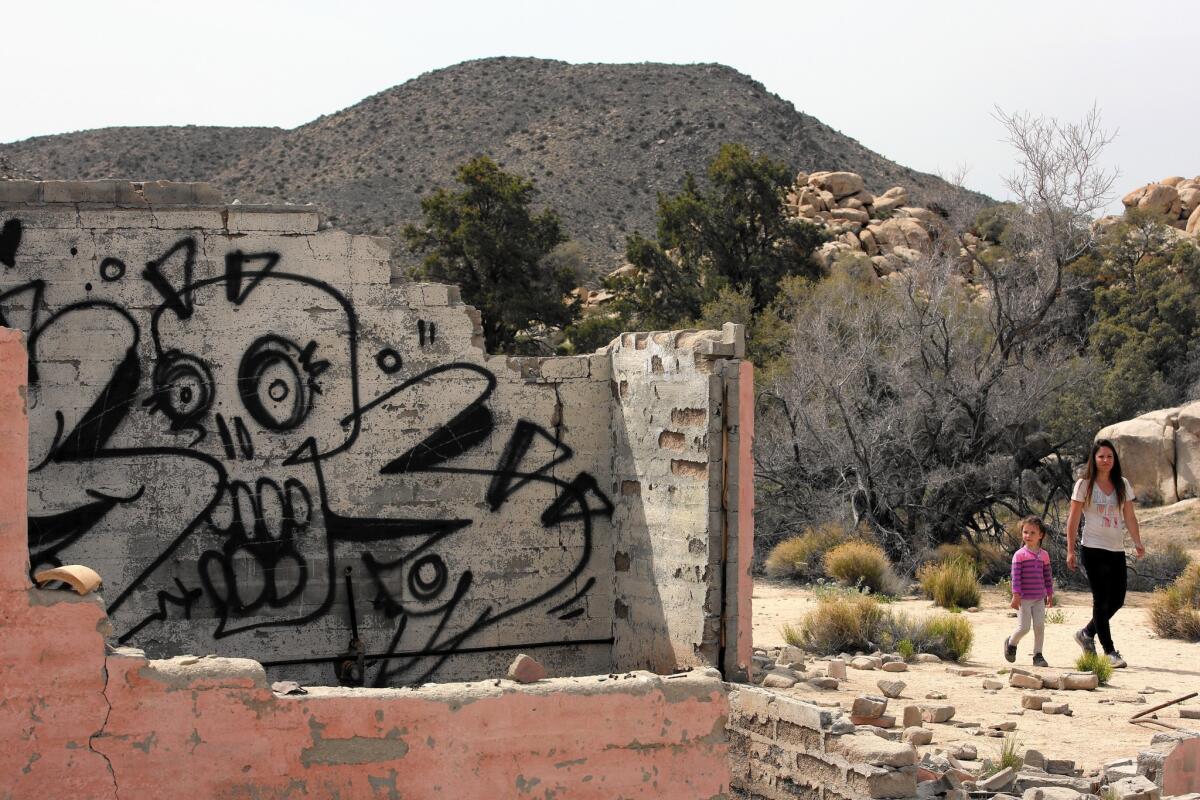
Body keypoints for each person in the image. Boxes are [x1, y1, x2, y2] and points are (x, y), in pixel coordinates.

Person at [1065, 438, 1145, 668]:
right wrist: (1070, 550)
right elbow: (1073, 519)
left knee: (1117, 599)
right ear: (1094, 459)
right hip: (1092, 548)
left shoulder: (1122, 484)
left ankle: (1086, 633)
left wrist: (1137, 542)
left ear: (1114, 459)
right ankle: (1110, 652)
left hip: (1116, 548)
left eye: (1109, 456)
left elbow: (1129, 516)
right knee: (1101, 601)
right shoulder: (1084, 485)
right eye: (1101, 456)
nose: (1105, 460)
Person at [1005, 515, 1054, 667]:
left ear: (1041, 535)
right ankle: (1011, 643)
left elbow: (1047, 575)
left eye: (1033, 533)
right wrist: (1016, 595)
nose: (1028, 536)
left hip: (1039, 598)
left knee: (1039, 626)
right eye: (1025, 532)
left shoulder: (1044, 555)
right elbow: (1016, 577)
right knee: (1024, 628)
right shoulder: (1019, 555)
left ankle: (1038, 655)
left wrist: (1050, 593)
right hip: (1023, 599)